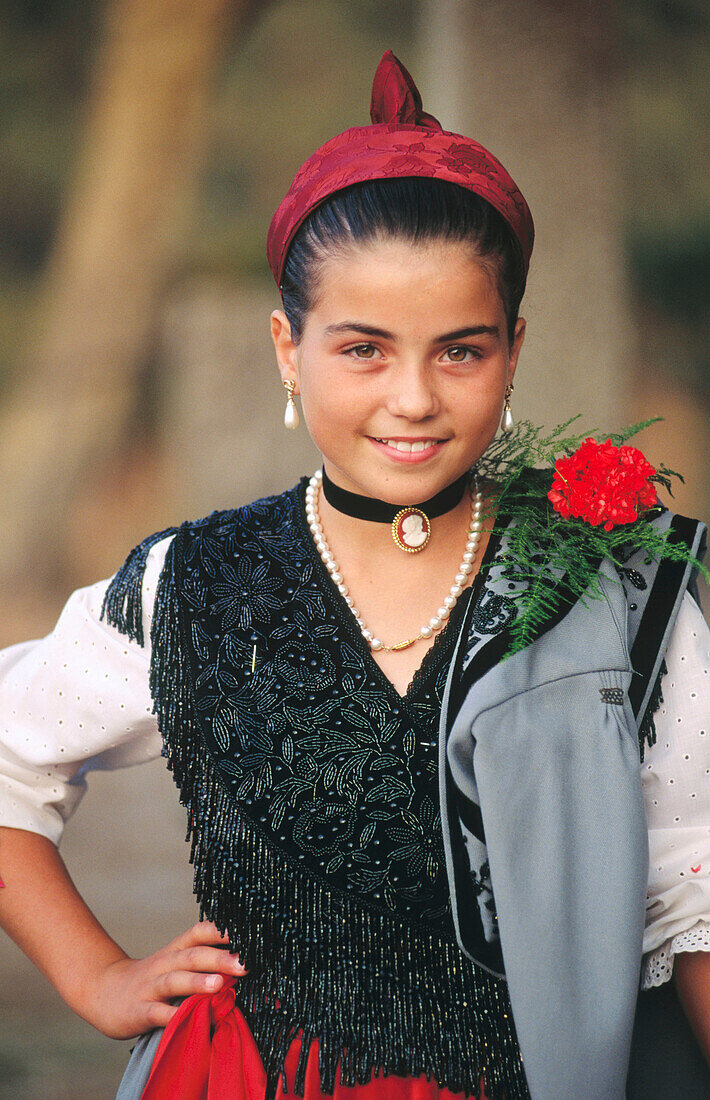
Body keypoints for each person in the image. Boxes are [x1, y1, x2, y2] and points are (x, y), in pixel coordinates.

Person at [0, 49, 709, 1100]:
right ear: (288, 348)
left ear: (512, 350)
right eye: (363, 349)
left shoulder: (610, 591)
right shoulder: (191, 584)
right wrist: (95, 972)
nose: (412, 398)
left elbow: (690, 883)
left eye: (458, 351)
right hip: (258, 1077)